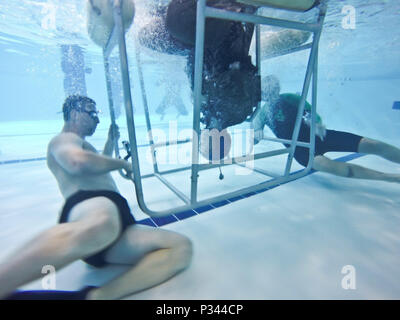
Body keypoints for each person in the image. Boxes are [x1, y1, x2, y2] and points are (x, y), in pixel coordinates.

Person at [0, 95, 192, 300]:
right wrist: (124, 164)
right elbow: (77, 162)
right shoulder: (63, 140)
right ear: (74, 114)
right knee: (101, 225)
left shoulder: (80, 144)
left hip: (114, 228)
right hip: (91, 206)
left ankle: (97, 296)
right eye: (93, 113)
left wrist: (111, 142)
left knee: (180, 247)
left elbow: (95, 166)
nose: (98, 120)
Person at [252, 75, 400, 183]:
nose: (271, 93)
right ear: (263, 94)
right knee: (330, 166)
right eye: (267, 91)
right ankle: (390, 178)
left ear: (277, 88)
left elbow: (310, 112)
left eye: (273, 89)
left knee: (371, 144)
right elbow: (256, 127)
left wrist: (315, 123)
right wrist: (256, 134)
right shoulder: (264, 112)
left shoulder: (290, 98)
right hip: (300, 150)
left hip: (319, 137)